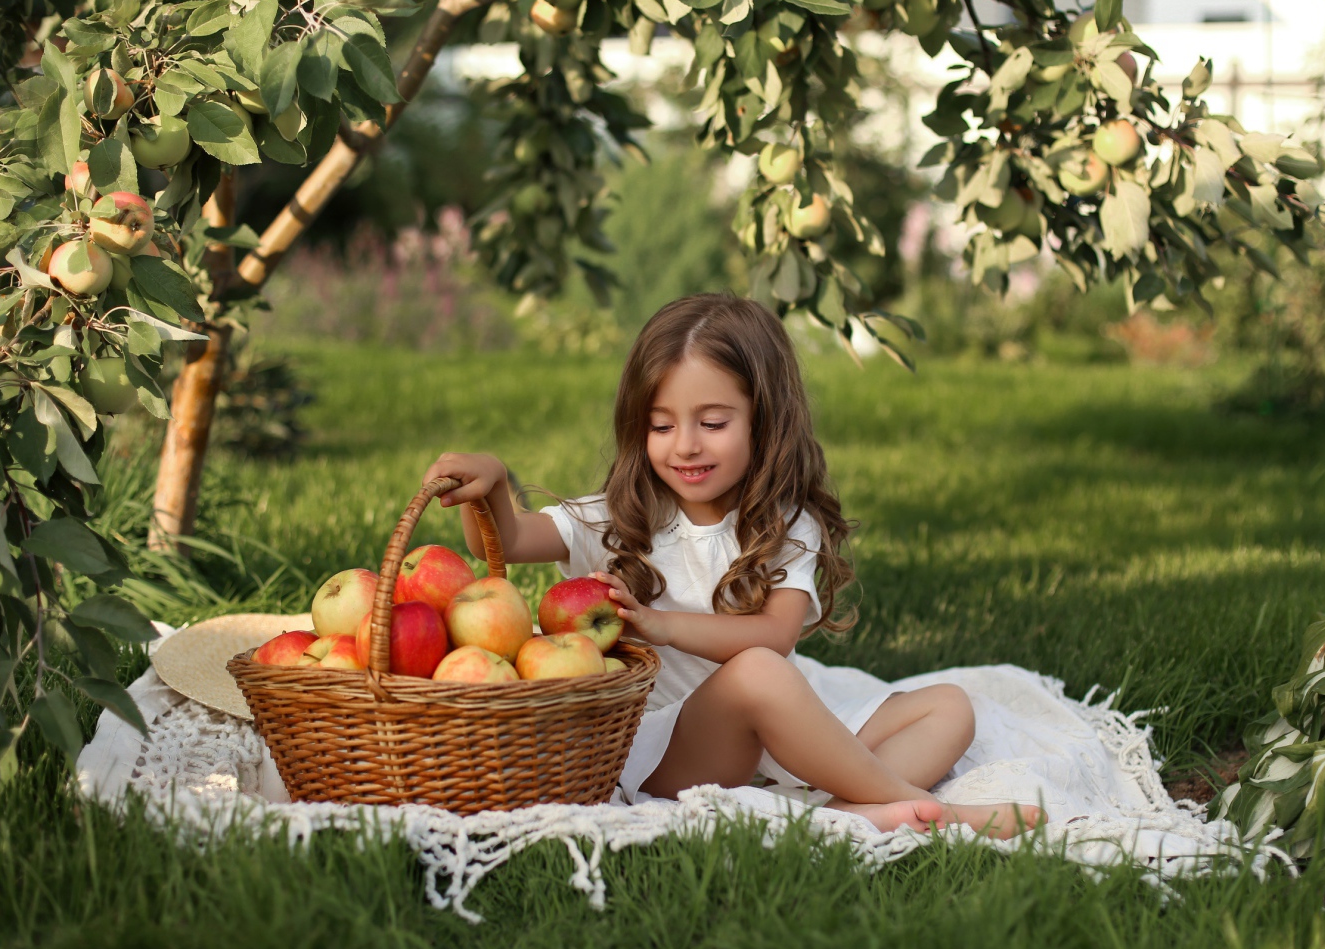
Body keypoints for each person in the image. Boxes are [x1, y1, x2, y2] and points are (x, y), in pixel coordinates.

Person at [424, 293, 1043, 837]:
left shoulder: (785, 523)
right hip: (668, 748)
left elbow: (776, 634)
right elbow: (503, 541)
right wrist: (493, 483)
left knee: (950, 706)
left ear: (763, 421)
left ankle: (843, 810)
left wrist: (665, 626)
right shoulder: (619, 516)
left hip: (770, 730)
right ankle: (915, 805)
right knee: (757, 675)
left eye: (713, 422)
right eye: (661, 425)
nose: (685, 444)